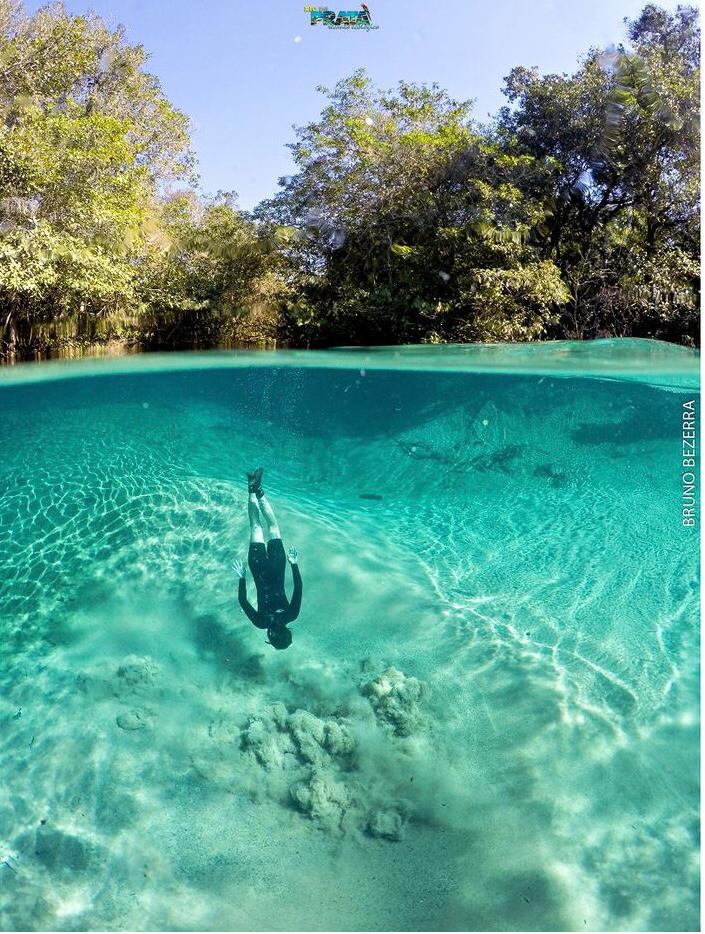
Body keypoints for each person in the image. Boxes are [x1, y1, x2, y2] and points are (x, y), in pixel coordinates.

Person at [233, 468, 302, 650]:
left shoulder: (291, 615)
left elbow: (298, 587)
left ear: (287, 632)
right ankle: (251, 488)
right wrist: (242, 577)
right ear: (271, 636)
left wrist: (294, 564)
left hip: (277, 565)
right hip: (259, 569)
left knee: (273, 527)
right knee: (256, 526)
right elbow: (242, 600)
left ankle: (258, 488)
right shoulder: (261, 622)